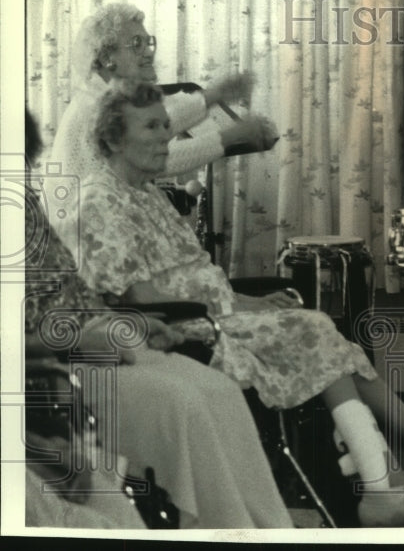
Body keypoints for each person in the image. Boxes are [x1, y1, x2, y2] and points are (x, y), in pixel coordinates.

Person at [71, 83, 404, 526]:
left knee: (325, 339)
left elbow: (192, 275)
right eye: (152, 126)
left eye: (167, 125)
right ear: (112, 138)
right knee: (317, 331)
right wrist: (233, 310)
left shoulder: (147, 193)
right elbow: (142, 298)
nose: (166, 136)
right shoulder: (102, 199)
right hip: (178, 335)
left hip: (215, 318)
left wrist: (248, 300)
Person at [23, 110, 293, 529]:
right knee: (181, 403)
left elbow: (70, 294)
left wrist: (123, 320)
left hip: (89, 338)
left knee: (219, 391)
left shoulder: (20, 203)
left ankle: (269, 531)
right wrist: (74, 342)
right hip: (45, 374)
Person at [48, 2, 276, 186]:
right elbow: (155, 157)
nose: (148, 52)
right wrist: (234, 135)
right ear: (107, 57)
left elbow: (160, 123)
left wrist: (216, 95)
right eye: (137, 44)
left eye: (148, 43)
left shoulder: (105, 95)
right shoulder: (94, 105)